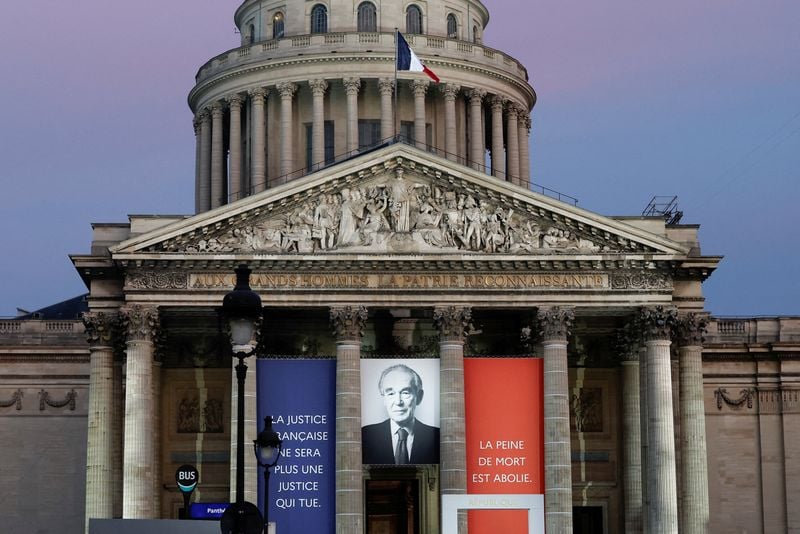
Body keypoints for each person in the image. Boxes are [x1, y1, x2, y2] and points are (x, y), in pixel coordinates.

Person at [362, 364, 440, 464]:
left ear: (419, 397)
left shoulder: (437, 438)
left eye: (405, 392)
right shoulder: (365, 436)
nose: (398, 402)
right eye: (391, 393)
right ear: (384, 399)